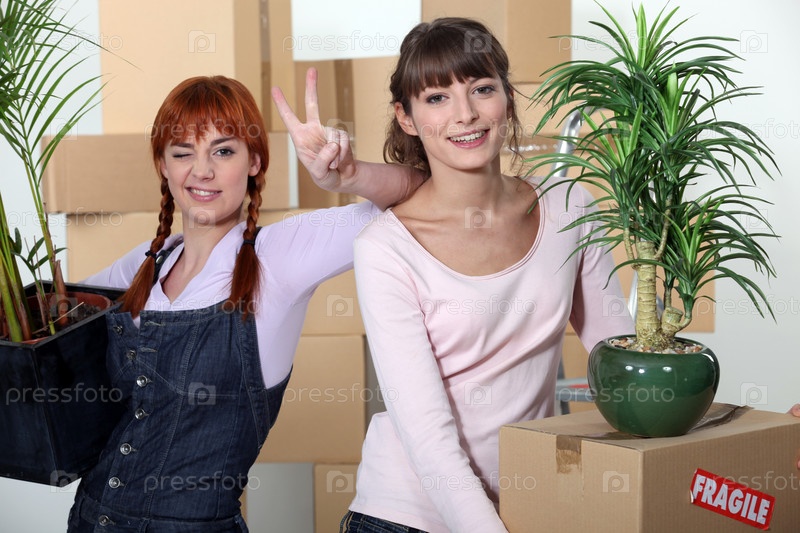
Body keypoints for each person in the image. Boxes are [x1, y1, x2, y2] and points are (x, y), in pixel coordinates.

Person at [66, 73, 421, 532]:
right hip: (87, 520)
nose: (202, 171)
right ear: (162, 166)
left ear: (254, 161)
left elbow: (421, 195)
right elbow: (47, 318)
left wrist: (349, 174)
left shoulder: (279, 256)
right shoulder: (145, 264)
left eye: (223, 151)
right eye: (182, 153)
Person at [340, 18, 635, 532]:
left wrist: (744, 430)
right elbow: (428, 437)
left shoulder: (567, 207)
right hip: (409, 516)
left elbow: (624, 365)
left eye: (481, 88)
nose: (466, 114)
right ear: (406, 117)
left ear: (507, 98)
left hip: (527, 504)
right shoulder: (386, 249)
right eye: (437, 98)